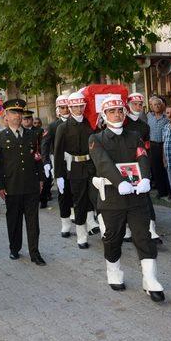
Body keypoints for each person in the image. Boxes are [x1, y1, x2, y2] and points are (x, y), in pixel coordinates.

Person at [89, 94, 165, 302]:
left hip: (136, 198)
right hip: (112, 198)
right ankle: (114, 272)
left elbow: (142, 156)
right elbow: (102, 162)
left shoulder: (134, 136)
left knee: (144, 237)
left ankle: (150, 279)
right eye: (112, 111)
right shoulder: (96, 139)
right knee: (113, 238)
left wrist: (146, 179)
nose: (117, 114)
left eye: (120, 110)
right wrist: (118, 181)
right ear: (104, 115)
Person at [0, 99, 46, 264]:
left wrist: (41, 178)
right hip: (12, 185)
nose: (17, 116)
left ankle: (34, 253)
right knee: (13, 220)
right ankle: (14, 248)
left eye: (19, 113)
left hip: (30, 185)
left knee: (33, 221)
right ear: (6, 116)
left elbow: (37, 159)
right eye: (13, 113)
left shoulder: (32, 135)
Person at [54, 92, 98, 249]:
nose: (78, 109)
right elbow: (58, 153)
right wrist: (58, 175)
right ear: (70, 107)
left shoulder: (90, 124)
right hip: (75, 169)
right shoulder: (62, 128)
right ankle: (81, 235)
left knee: (97, 198)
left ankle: (98, 226)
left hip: (92, 167)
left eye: (81, 106)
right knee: (79, 202)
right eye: (75, 107)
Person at [125, 93, 162, 244]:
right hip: (125, 166)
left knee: (145, 197)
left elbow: (146, 149)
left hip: (140, 165)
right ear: (128, 105)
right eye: (134, 104)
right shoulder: (122, 122)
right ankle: (126, 229)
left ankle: (151, 229)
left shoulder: (144, 126)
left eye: (140, 105)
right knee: (126, 197)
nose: (138, 107)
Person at [44, 95, 74, 237]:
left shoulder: (77, 122)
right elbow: (45, 144)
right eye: (62, 107)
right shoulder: (53, 126)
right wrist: (46, 162)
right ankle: (65, 223)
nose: (66, 110)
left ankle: (79, 217)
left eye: (67, 107)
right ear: (58, 109)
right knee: (63, 192)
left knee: (77, 191)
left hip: (76, 162)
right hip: (60, 162)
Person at [146, 96, 170, 199]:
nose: (157, 106)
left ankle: (170, 191)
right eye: (155, 105)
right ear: (151, 106)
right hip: (153, 145)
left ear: (162, 105)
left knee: (166, 168)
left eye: (159, 104)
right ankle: (161, 191)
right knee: (156, 169)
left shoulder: (166, 117)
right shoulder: (149, 117)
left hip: (164, 145)